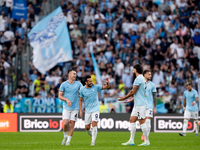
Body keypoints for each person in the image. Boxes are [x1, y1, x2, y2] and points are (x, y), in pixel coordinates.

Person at [118, 64, 149, 146]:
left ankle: (147, 141)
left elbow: (133, 91)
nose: (132, 70)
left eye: (133, 69)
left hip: (140, 104)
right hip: (138, 103)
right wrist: (132, 98)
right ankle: (131, 140)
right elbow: (138, 93)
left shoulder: (138, 79)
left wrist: (124, 97)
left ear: (135, 70)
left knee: (142, 121)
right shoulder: (142, 78)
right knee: (132, 120)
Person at [79, 75, 110, 146]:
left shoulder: (95, 87)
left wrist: (107, 83)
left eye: (91, 81)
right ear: (85, 82)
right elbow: (80, 100)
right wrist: (80, 110)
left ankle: (93, 142)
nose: (91, 82)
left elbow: (106, 87)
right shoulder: (82, 90)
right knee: (87, 128)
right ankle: (93, 135)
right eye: (89, 81)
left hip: (95, 109)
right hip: (87, 110)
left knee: (94, 124)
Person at [58, 69, 83, 146]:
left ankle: (68, 141)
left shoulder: (78, 84)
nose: (75, 75)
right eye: (74, 74)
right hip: (66, 107)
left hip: (75, 108)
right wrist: (66, 99)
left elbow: (84, 90)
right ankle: (65, 136)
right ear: (69, 74)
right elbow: (60, 96)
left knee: (72, 124)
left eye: (75, 74)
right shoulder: (63, 84)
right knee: (65, 124)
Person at [141, 70, 157, 141]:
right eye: (149, 74)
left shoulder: (152, 85)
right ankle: (144, 133)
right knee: (143, 122)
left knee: (148, 121)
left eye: (151, 74)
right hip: (141, 105)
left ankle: (146, 138)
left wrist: (155, 107)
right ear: (145, 75)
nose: (151, 76)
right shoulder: (140, 83)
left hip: (150, 106)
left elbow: (154, 97)